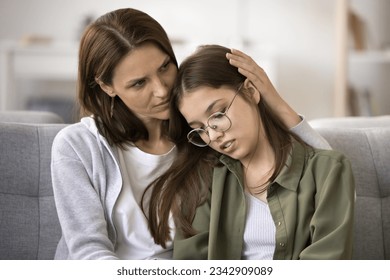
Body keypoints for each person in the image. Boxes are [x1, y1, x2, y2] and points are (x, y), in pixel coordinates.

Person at [51, 8, 331, 260]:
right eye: (139, 83)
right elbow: (87, 251)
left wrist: (273, 98)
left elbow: (328, 175)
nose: (161, 90)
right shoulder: (78, 146)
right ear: (107, 86)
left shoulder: (205, 135)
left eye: (164, 67)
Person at [147, 45, 355, 260]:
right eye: (199, 128)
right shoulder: (203, 179)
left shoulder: (329, 171)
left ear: (251, 91)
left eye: (218, 114)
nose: (213, 135)